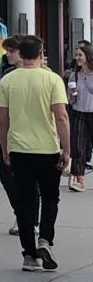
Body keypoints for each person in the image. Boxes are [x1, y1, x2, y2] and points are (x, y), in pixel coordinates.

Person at [0, 35, 68, 272]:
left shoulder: (8, 81)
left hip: (19, 149)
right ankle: (45, 239)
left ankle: (29, 255)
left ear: (21, 54)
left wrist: (5, 147)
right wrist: (66, 149)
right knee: (50, 198)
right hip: (48, 148)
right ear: (40, 54)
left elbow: (2, 118)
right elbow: (61, 116)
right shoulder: (53, 79)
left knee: (25, 202)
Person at [0, 37, 36, 236]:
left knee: (29, 178)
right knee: (6, 173)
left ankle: (31, 219)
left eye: (11, 51)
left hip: (34, 132)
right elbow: (2, 110)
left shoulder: (44, 74)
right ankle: (21, 213)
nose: (8, 55)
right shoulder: (7, 75)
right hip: (12, 132)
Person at [65, 42, 93, 192]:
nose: (77, 58)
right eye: (76, 55)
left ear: (88, 56)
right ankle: (79, 179)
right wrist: (71, 96)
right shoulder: (74, 76)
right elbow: (71, 100)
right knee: (78, 146)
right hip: (79, 112)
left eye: (80, 55)